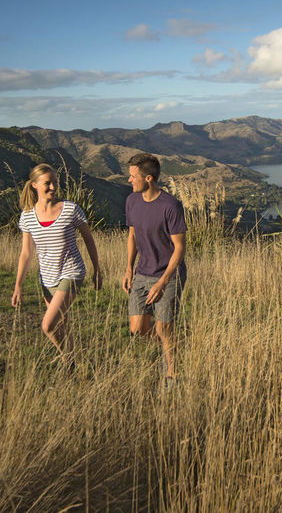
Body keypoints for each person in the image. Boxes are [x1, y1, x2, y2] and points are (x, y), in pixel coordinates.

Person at [11, 163, 101, 365]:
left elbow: (89, 240)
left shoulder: (70, 209)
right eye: (47, 183)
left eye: (55, 182)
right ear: (34, 185)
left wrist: (97, 270)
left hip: (72, 272)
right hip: (47, 277)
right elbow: (26, 253)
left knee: (48, 326)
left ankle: (70, 359)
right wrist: (18, 285)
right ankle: (75, 368)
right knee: (61, 324)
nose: (53, 187)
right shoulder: (27, 216)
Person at [122, 153, 187, 390]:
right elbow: (132, 236)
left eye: (133, 176)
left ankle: (172, 374)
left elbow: (179, 248)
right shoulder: (132, 201)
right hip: (142, 272)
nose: (129, 181)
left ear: (148, 178)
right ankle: (169, 346)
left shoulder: (170, 206)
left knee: (163, 327)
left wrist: (163, 282)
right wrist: (129, 268)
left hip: (168, 274)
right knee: (137, 328)